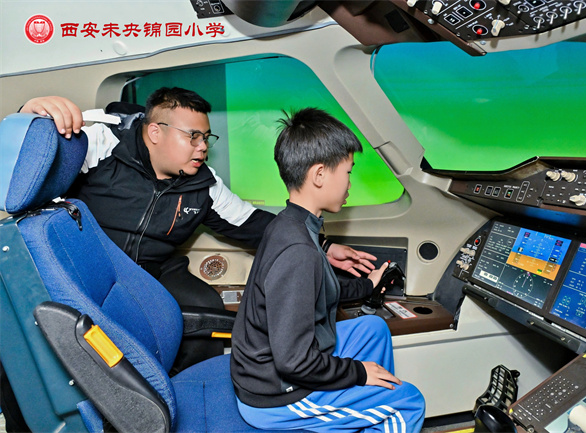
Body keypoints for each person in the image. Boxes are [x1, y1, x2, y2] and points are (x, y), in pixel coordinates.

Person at [18, 88, 378, 373]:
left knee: (206, 307)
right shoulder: (102, 140)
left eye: (206, 137)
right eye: (193, 137)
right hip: (87, 262)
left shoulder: (204, 185)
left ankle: (183, 388)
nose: (203, 147)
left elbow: (255, 225)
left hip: (151, 271)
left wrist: (324, 246)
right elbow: (28, 159)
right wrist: (30, 112)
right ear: (155, 132)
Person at [230, 107, 425, 432]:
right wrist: (358, 373)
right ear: (319, 175)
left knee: (373, 329)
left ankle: (364, 408)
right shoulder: (298, 251)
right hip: (276, 394)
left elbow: (317, 288)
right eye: (347, 172)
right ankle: (377, 408)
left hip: (272, 368)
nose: (350, 183)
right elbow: (294, 361)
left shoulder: (291, 224)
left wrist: (368, 285)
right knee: (408, 401)